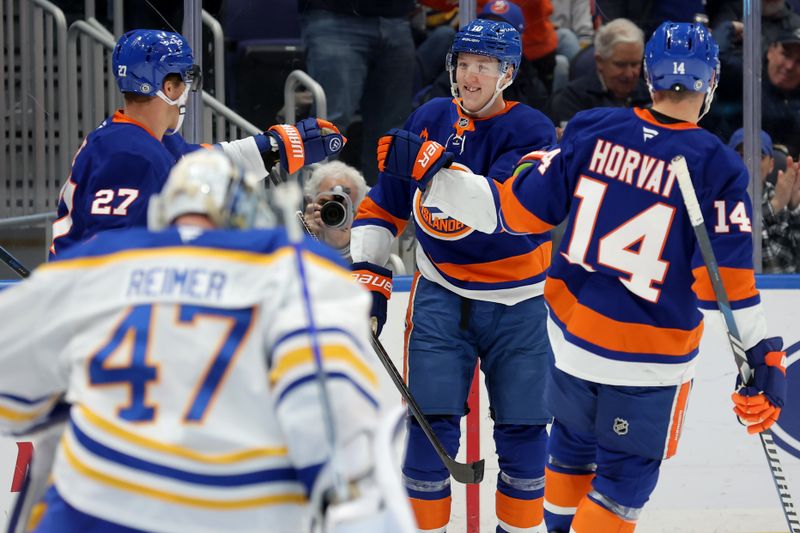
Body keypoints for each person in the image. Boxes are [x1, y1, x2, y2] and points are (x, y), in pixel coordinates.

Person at [377, 22, 787, 532]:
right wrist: (763, 353)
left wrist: (431, 176)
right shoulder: (717, 166)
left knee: (566, 463)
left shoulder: (593, 130)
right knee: (622, 486)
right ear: (710, 85)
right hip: (649, 363)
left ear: (647, 76)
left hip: (573, 350)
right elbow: (723, 289)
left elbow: (514, 211)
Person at [0, 150, 415, 533]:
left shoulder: (101, 259)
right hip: (240, 508)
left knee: (57, 440)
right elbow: (328, 416)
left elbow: (12, 381)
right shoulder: (293, 267)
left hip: (103, 502)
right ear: (247, 214)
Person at [351, 18, 556, 533]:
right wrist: (370, 277)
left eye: (483, 67)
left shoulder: (532, 130)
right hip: (441, 296)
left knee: (525, 435)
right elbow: (386, 204)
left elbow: (501, 212)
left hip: (519, 305)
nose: (470, 76)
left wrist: (430, 169)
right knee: (429, 434)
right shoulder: (429, 116)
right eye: (464, 64)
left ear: (506, 73)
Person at [50, 28, 345, 257]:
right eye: (187, 79)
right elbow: (113, 254)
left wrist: (274, 147)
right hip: (97, 315)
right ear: (168, 86)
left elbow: (201, 164)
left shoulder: (139, 138)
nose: (189, 91)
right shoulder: (129, 154)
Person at [299, 0, 416, 186]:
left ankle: (382, 210)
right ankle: (308, 207)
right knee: (328, 125)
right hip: (334, 16)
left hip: (397, 19)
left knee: (392, 132)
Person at [547, 18, 651, 127]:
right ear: (600, 61)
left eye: (635, 64)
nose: (629, 74)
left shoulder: (651, 97)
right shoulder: (571, 99)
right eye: (620, 65)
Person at [728, 128, 800, 273]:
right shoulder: (720, 201)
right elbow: (738, 249)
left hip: (788, 291)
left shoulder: (783, 195)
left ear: (771, 165)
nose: (748, 162)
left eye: (758, 156)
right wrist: (774, 207)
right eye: (741, 155)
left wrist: (795, 209)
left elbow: (793, 256)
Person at [302, 160, 368, 262]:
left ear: (356, 213)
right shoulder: (292, 227)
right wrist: (305, 236)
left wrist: (342, 245)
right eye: (325, 204)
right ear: (310, 201)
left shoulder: (369, 241)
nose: (334, 213)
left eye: (344, 208)